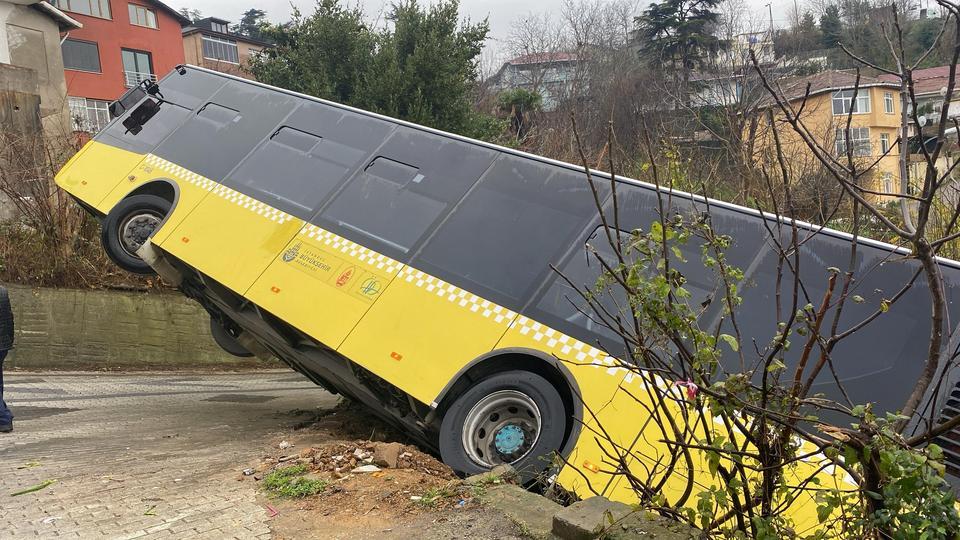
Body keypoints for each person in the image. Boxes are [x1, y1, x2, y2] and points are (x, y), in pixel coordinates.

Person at [0, 285, 13, 433]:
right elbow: (10, 318)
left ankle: (4, 418)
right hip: (2, 345)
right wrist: (9, 341)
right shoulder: (3, 291)